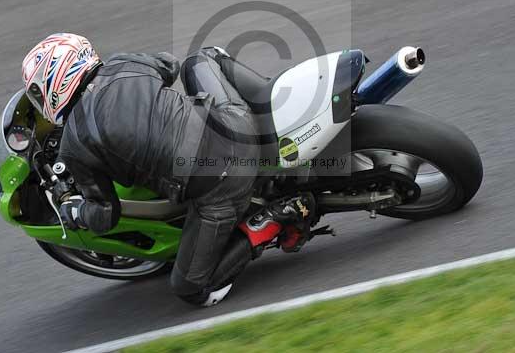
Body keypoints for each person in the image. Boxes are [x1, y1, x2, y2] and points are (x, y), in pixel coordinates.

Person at [21, 33, 314, 306]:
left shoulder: (75, 146)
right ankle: (276, 104)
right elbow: (169, 66)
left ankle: (275, 217)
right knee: (202, 58)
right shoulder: (123, 64)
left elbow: (105, 216)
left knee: (192, 288)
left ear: (53, 83)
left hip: (221, 187)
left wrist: (74, 212)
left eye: (37, 90)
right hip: (236, 121)